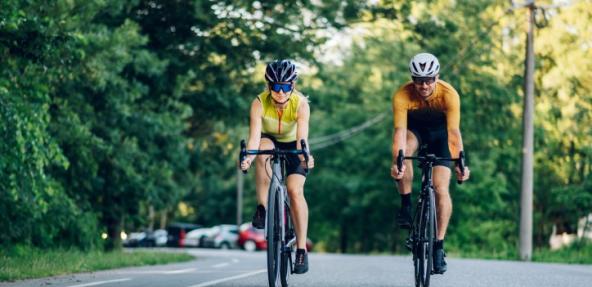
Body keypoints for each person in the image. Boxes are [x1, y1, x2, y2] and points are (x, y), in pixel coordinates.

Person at [390, 52, 470, 274]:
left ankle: (438, 246)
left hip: (441, 136)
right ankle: (405, 205)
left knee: (440, 188)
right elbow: (399, 131)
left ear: (437, 77)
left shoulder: (449, 95)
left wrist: (460, 164)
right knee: (402, 153)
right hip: (414, 132)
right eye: (418, 80)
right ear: (412, 78)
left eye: (428, 80)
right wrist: (398, 160)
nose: (423, 85)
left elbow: (454, 133)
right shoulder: (402, 95)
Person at [240, 59, 314, 274]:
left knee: (295, 191)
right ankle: (263, 207)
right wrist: (249, 159)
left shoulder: (301, 104)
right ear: (268, 86)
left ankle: (301, 249)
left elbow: (302, 138)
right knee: (262, 152)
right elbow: (253, 137)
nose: (280, 93)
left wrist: (305, 157)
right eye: (275, 87)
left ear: (293, 86)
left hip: (293, 143)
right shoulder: (259, 103)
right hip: (268, 139)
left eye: (285, 87)